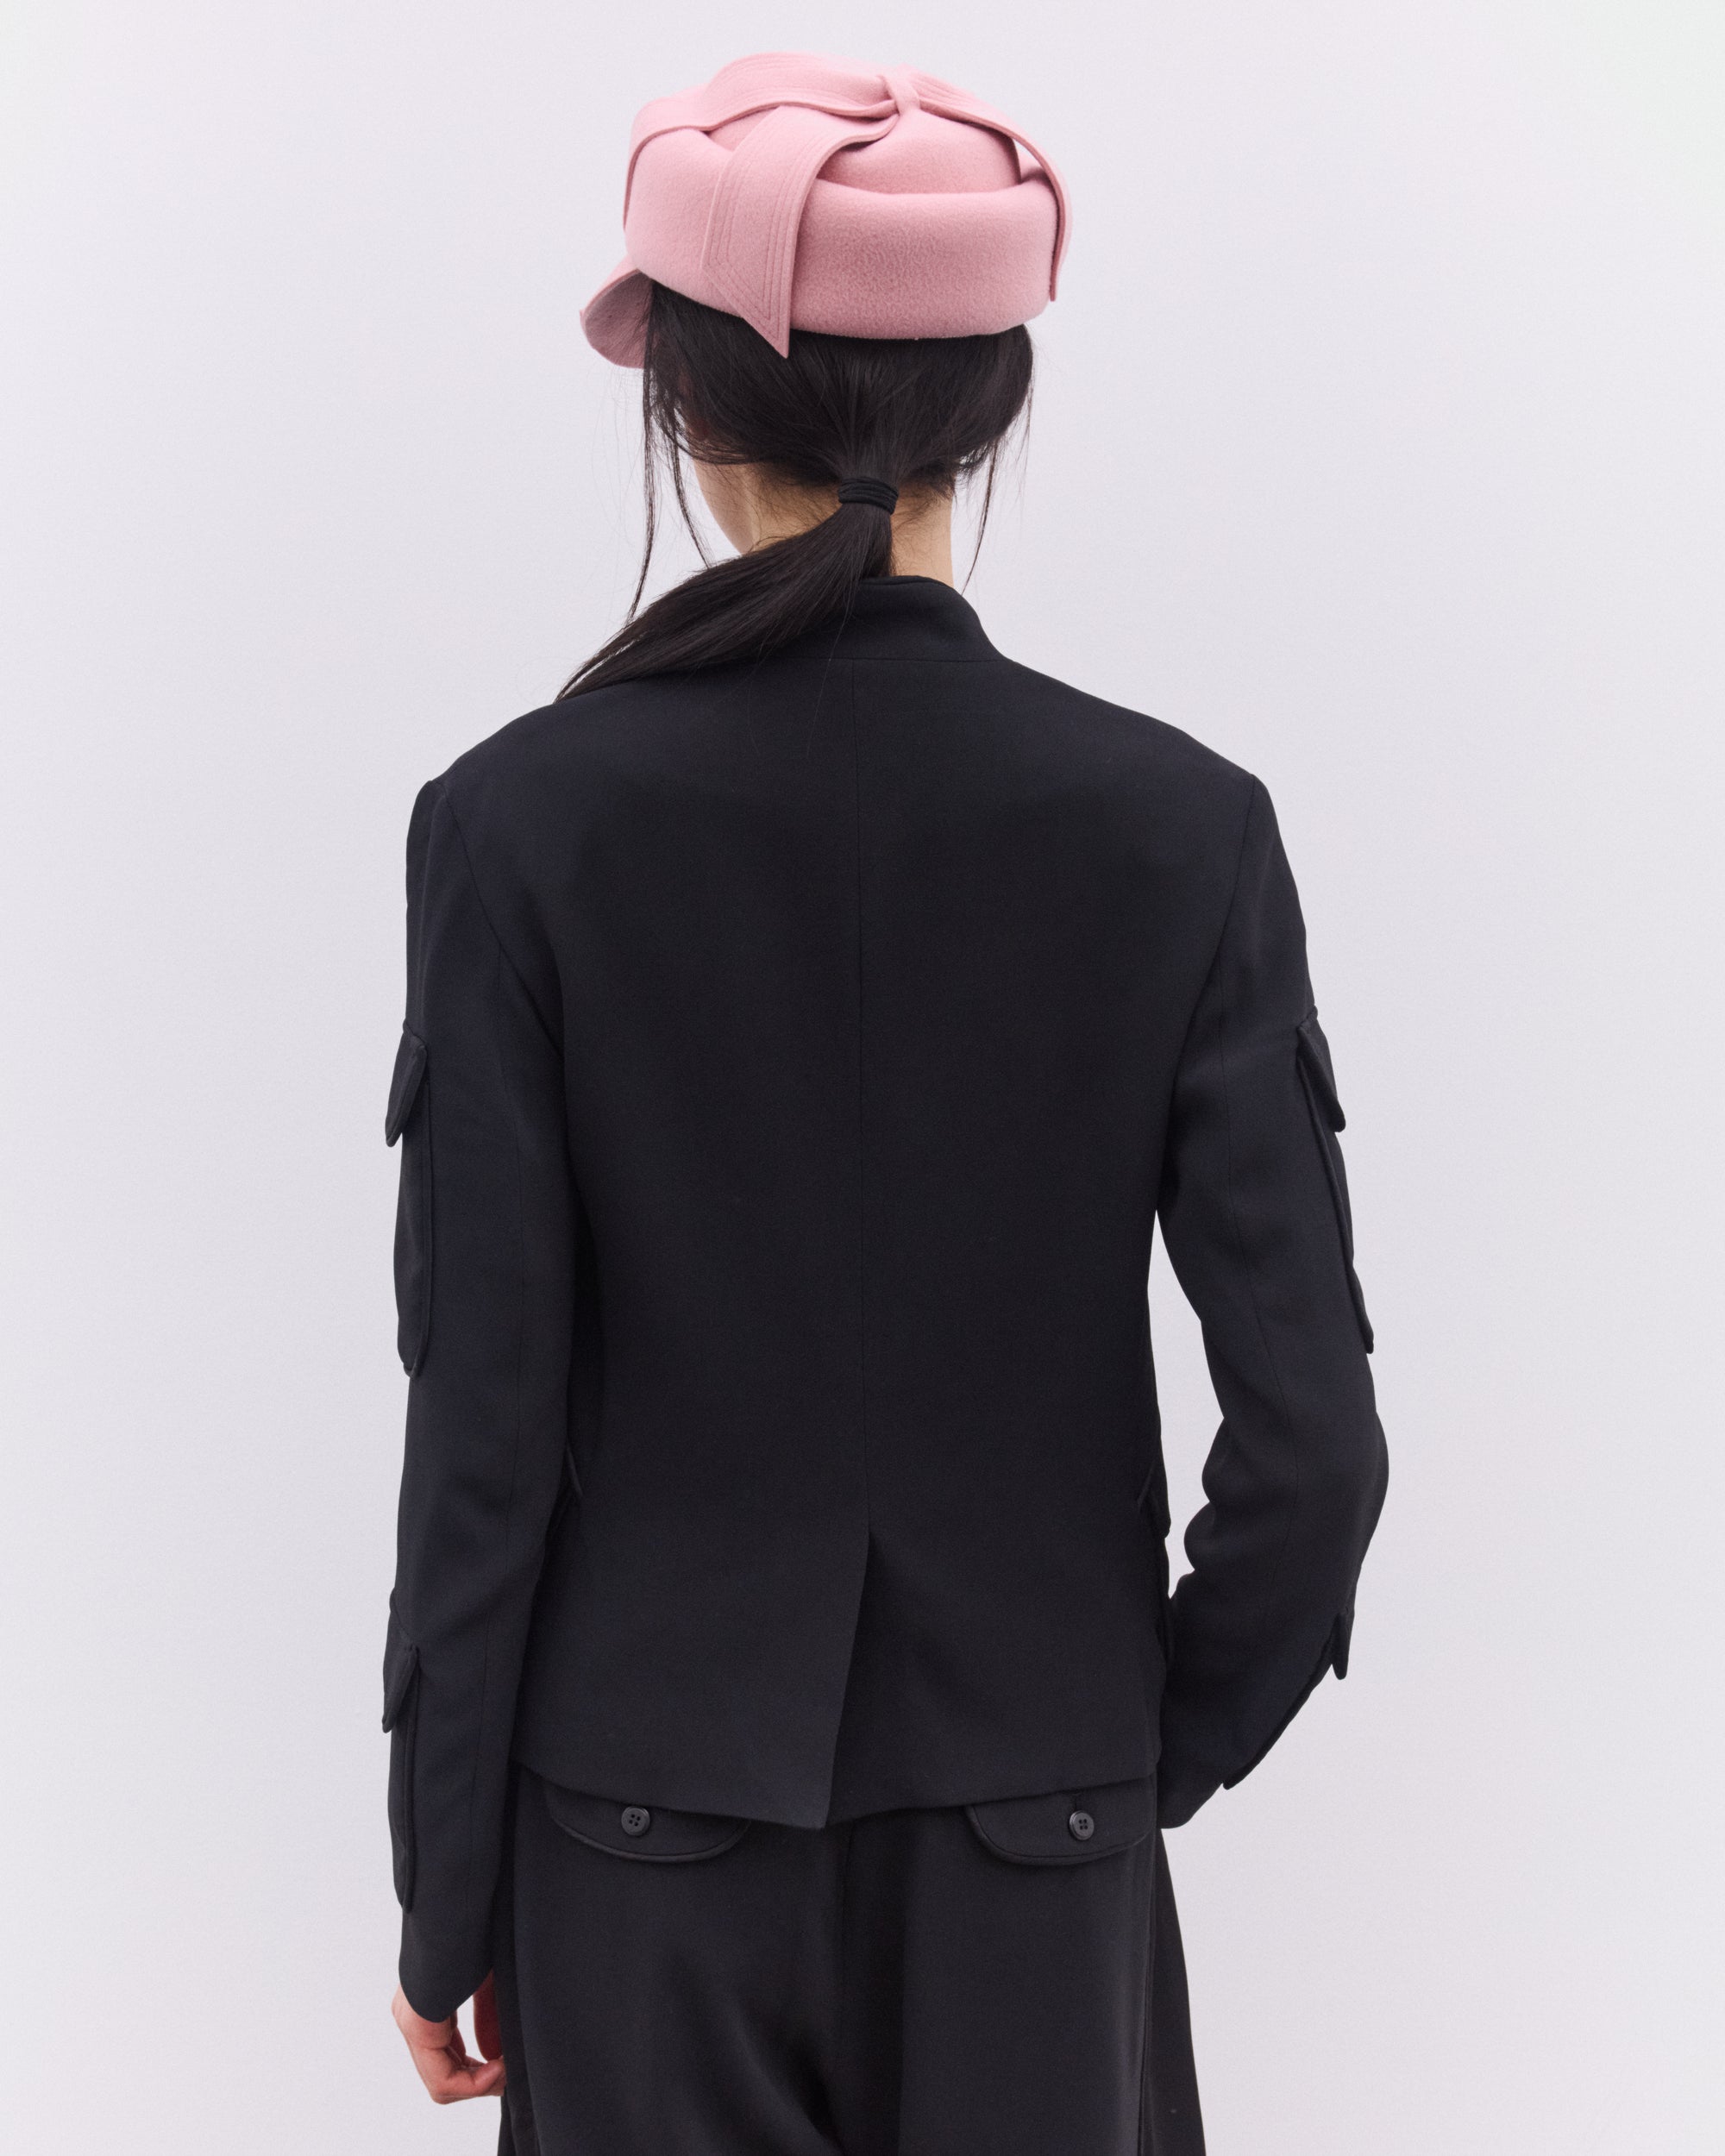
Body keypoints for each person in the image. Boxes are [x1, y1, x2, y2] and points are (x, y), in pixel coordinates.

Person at [380, 52, 1388, 2156]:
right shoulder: (1178, 829)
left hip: (633, 1843)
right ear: (992, 406)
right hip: (1039, 1832)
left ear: (684, 409)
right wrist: (1121, 1753)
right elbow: (1312, 1448)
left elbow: (484, 1435)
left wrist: (445, 1887)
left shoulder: (518, 825)